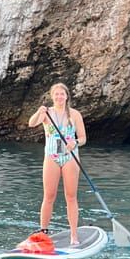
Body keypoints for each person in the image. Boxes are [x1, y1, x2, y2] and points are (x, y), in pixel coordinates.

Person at [28, 82, 87, 245]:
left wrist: (75, 142)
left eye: (62, 94)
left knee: (71, 196)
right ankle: (43, 231)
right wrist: (39, 112)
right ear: (52, 97)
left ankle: (74, 235)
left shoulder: (75, 114)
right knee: (49, 196)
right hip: (51, 157)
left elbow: (83, 138)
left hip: (70, 157)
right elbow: (31, 123)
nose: (59, 97)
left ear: (66, 96)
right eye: (56, 94)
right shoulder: (47, 113)